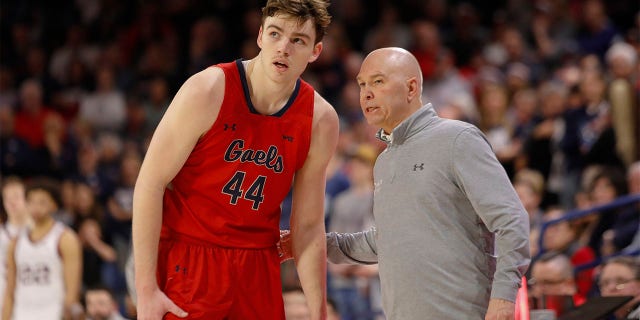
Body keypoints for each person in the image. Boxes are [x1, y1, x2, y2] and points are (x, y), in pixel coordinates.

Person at [282, 47, 530, 319]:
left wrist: (504, 297)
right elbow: (387, 240)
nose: (366, 93)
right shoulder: (385, 161)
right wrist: (312, 242)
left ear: (411, 88)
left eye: (378, 81)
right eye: (362, 84)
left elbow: (511, 220)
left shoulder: (457, 139)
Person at [131, 0, 337, 319]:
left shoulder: (320, 119)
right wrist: (145, 291)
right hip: (190, 257)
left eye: (298, 40)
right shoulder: (207, 89)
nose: (283, 47)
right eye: (275, 34)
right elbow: (150, 183)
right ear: (259, 36)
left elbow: (308, 227)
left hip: (258, 266)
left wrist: (319, 313)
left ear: (315, 51)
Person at [2, 178, 83, 320]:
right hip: (22, 313)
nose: (36, 207)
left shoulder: (65, 238)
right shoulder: (16, 243)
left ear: (54, 205)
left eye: (42, 202)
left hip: (53, 312)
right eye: (31, 202)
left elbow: (72, 290)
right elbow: (10, 291)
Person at [0, 177, 30, 314]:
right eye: (7, 198)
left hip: (34, 294)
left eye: (16, 197)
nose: (12, 202)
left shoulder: (43, 233)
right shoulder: (2, 234)